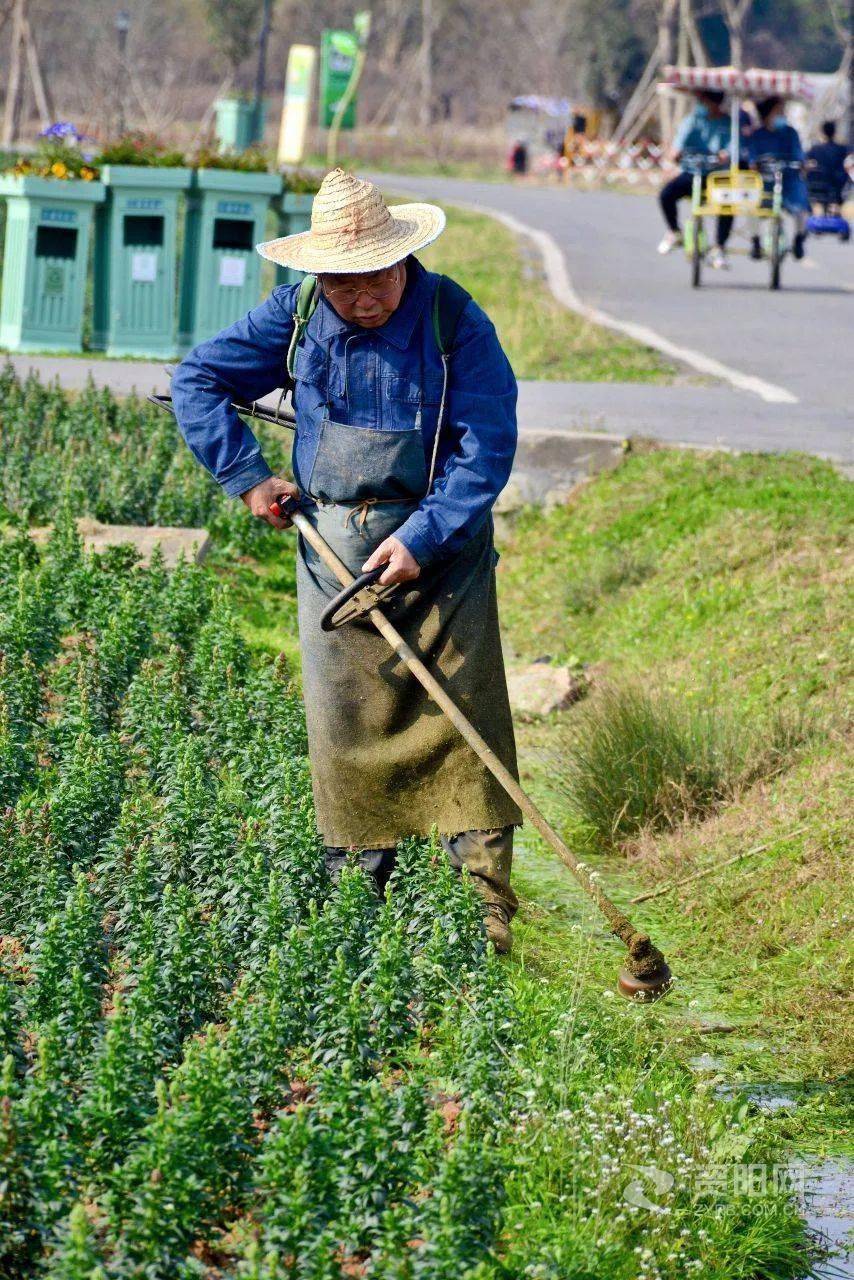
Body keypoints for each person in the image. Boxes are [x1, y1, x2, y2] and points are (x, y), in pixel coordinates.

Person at [171, 169, 522, 953]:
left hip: (443, 561)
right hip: (334, 557)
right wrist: (249, 479)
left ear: (402, 260)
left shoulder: (452, 320)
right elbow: (197, 379)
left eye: (373, 279)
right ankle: (354, 916)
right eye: (340, 282)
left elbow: (485, 447)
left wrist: (423, 538)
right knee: (347, 731)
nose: (360, 297)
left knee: (467, 733)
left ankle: (485, 915)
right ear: (316, 274)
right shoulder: (295, 315)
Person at [658, 89, 733, 269]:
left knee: (728, 204)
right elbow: (677, 146)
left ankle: (719, 247)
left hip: (717, 176)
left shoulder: (727, 123)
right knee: (666, 195)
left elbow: (733, 146)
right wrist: (675, 154)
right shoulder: (692, 121)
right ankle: (674, 232)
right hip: (692, 172)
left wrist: (726, 154)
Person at [747, 96, 810, 261]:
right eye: (778, 110)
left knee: (801, 206)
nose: (782, 114)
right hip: (766, 181)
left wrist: (803, 164)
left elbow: (799, 155)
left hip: (789, 180)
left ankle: (798, 239)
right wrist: (754, 164)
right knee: (751, 206)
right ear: (768, 113)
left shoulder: (791, 133)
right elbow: (752, 158)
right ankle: (756, 241)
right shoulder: (757, 135)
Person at [806, 120, 852, 208]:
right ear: (834, 132)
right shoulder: (842, 149)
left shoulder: (815, 149)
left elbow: (808, 163)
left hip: (819, 188)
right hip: (837, 187)